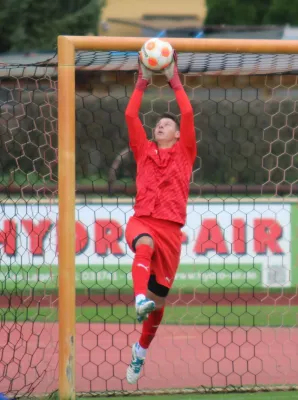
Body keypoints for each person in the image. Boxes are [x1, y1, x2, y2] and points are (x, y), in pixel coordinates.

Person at [124, 51, 196, 384]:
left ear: (179, 135)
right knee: (143, 244)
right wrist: (141, 81)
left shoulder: (185, 151)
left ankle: (141, 350)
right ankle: (139, 298)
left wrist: (173, 78)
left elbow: (187, 111)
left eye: (167, 124)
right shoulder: (143, 150)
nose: (161, 125)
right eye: (159, 124)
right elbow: (130, 114)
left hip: (171, 230)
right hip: (142, 220)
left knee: (160, 300)